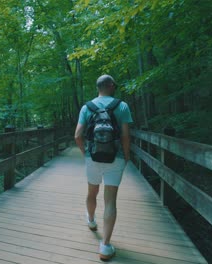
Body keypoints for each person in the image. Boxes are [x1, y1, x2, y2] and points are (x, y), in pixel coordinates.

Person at [74, 74, 133, 261]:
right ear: (111, 86)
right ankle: (106, 246)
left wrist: (86, 154)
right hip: (115, 158)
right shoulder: (121, 106)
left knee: (92, 192)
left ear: (98, 87)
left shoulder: (87, 107)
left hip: (93, 157)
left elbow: (77, 135)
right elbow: (125, 136)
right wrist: (126, 155)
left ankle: (91, 221)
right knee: (110, 200)